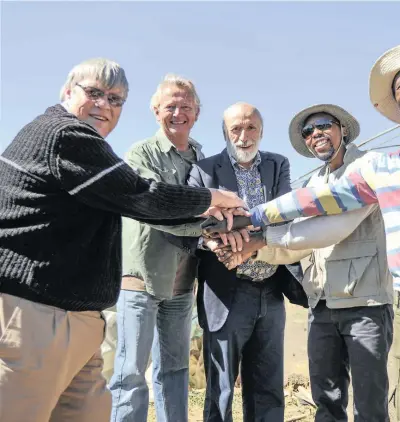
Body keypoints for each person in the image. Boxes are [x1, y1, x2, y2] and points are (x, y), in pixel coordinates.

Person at [218, 42, 400, 422]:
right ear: (396, 101)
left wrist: (257, 236)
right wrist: (251, 216)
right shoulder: (388, 168)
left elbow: (330, 227)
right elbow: (314, 200)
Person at [0, 58, 245, 422]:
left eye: (115, 100)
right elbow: (140, 196)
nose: (104, 105)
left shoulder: (81, 142)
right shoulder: (65, 135)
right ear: (67, 92)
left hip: (75, 319)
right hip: (36, 316)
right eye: (94, 93)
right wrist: (213, 201)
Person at [217, 104, 394, 421]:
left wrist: (258, 237)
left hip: (364, 301)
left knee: (369, 405)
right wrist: (251, 250)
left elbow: (330, 229)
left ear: (343, 129)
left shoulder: (368, 166)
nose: (316, 135)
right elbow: (297, 244)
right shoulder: (314, 183)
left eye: (324, 126)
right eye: (308, 132)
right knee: (326, 401)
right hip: (322, 303)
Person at [188, 102, 308, 422]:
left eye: (251, 127)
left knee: (268, 386)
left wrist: (245, 236)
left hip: (270, 287)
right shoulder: (204, 170)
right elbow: (195, 222)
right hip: (227, 289)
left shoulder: (277, 164)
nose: (244, 136)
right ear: (225, 133)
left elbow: (285, 213)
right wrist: (219, 238)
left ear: (262, 131)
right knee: (222, 388)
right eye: (236, 129)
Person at [109, 74, 205, 422]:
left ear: (196, 112)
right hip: (142, 277)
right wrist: (207, 222)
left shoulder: (201, 158)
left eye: (185, 106)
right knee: (131, 371)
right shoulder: (140, 153)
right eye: (170, 106)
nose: (178, 112)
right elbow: (156, 209)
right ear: (155, 111)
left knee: (175, 369)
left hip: (182, 282)